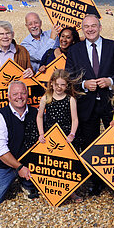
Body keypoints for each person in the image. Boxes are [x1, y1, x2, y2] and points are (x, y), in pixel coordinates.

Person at [65, 14, 114, 196]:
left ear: (100, 27)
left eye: (94, 26)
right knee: (90, 144)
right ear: (82, 29)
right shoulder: (74, 50)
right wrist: (84, 84)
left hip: (111, 103)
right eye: (86, 27)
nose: (90, 29)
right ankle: (95, 181)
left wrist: (110, 80)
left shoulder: (113, 46)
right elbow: (68, 77)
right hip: (86, 104)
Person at [0, 81, 39, 208]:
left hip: (28, 163)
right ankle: (13, 177)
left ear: (27, 95)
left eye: (23, 93)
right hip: (3, 165)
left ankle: (23, 181)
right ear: (8, 96)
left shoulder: (36, 114)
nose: (19, 97)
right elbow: (0, 151)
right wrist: (19, 168)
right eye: (15, 94)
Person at [35, 69, 82, 203]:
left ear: (67, 85)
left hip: (67, 136)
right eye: (56, 84)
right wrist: (41, 134)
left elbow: (75, 119)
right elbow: (39, 117)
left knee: (69, 165)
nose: (59, 87)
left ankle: (72, 191)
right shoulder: (46, 98)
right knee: (54, 164)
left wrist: (72, 134)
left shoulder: (70, 99)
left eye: (62, 85)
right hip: (51, 135)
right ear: (51, 84)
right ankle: (54, 189)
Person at [0, 21, 33, 85]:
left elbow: (30, 71)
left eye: (8, 33)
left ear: (13, 35)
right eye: (1, 34)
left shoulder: (22, 51)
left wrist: (30, 73)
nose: (5, 37)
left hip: (18, 92)